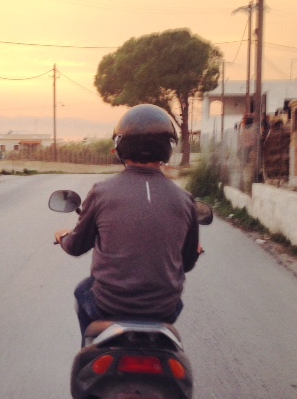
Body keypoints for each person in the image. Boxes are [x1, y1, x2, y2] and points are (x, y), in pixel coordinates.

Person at [54, 104, 201, 339]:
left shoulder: (101, 192)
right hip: (164, 309)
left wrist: (63, 237)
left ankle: (91, 348)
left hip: (109, 304)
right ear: (168, 147)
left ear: (121, 146)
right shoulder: (185, 200)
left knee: (82, 291)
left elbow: (76, 246)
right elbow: (188, 263)